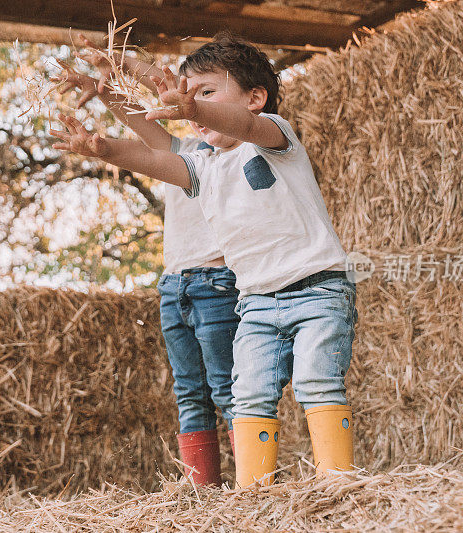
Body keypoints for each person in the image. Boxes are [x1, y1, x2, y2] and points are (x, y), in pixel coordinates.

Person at [49, 33, 358, 488]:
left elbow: (246, 127)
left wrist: (191, 108)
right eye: (189, 95)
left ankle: (339, 485)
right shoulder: (203, 165)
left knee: (316, 383)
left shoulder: (274, 136)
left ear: (256, 98)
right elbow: (151, 158)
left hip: (317, 288)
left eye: (205, 92)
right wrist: (102, 148)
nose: (191, 105)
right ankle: (253, 496)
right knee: (248, 395)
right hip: (254, 303)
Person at [57, 36, 239, 485]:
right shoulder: (186, 152)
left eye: (204, 95)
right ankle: (205, 495)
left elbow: (161, 89)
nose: (190, 105)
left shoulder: (238, 153)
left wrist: (119, 62)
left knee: (228, 387)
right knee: (190, 392)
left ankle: (254, 488)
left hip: (218, 283)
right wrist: (104, 85)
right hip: (174, 288)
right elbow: (145, 122)